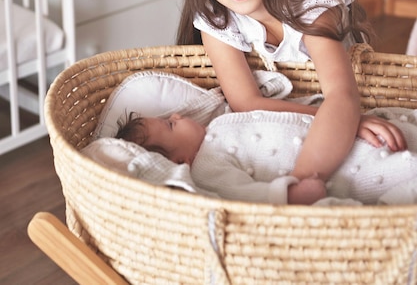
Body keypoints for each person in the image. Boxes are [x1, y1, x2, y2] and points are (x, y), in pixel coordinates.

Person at [175, 0, 406, 184]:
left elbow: (341, 97)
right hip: (313, 118)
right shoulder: (218, 21)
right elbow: (246, 103)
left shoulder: (315, 10)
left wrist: (303, 180)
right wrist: (350, 123)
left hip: (341, 108)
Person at [116, 109, 417, 206]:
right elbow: (248, 196)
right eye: (171, 124)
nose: (178, 114)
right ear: (180, 162)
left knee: (401, 133)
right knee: (401, 174)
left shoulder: (217, 124)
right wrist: (293, 194)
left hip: (340, 134)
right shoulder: (207, 168)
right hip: (350, 169)